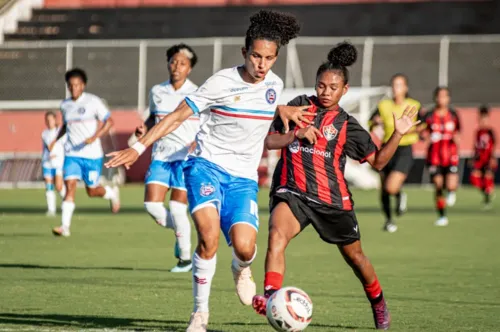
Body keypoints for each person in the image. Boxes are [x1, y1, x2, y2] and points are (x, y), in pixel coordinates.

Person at [104, 10, 309, 332]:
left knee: (245, 247)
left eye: (269, 58)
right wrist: (137, 147)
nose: (261, 64)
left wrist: (291, 131)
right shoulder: (221, 82)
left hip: (243, 179)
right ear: (244, 53)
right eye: (256, 56)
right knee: (209, 237)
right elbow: (176, 115)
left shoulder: (274, 85)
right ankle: (200, 313)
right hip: (205, 166)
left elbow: (264, 134)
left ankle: (241, 268)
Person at [251, 42, 420, 330]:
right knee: (276, 235)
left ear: (345, 90)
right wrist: (295, 134)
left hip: (332, 201)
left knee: (356, 258)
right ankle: (270, 299)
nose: (325, 92)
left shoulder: (348, 125)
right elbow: (269, 141)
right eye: (321, 85)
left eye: (332, 87)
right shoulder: (298, 107)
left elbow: (378, 162)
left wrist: (397, 135)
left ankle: (378, 302)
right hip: (293, 192)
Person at [134, 44, 200, 272]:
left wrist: (197, 141)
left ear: (189, 68)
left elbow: (208, 123)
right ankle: (181, 231)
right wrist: (145, 129)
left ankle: (185, 258)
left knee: (177, 207)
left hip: (185, 157)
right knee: (151, 205)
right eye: (173, 62)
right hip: (161, 155)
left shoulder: (197, 93)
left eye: (182, 63)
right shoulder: (157, 91)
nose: (176, 66)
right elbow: (154, 117)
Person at [50, 68, 120, 237]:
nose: (74, 88)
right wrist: (55, 139)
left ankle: (111, 193)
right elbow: (66, 126)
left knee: (92, 190)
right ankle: (64, 227)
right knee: (70, 186)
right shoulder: (65, 105)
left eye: (77, 85)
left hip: (92, 155)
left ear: (83, 85)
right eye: (71, 85)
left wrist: (95, 136)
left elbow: (109, 122)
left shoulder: (93, 102)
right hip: (72, 154)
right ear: (67, 86)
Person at [369, 73, 421, 233]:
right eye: (393, 85)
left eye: (399, 85)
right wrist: (375, 123)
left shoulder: (414, 105)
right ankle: (389, 220)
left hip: (404, 148)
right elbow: (371, 122)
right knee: (384, 188)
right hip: (387, 147)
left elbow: (425, 125)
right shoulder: (384, 105)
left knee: (391, 187)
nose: (395, 88)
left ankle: (399, 195)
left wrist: (409, 129)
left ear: (406, 88)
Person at [419, 87, 461, 226]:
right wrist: (426, 138)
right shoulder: (429, 115)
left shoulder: (453, 114)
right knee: (438, 185)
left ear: (448, 99)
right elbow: (420, 132)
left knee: (451, 184)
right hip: (434, 157)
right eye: (439, 96)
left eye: (444, 96)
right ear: (435, 98)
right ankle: (442, 215)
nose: (441, 99)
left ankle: (451, 192)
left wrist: (456, 139)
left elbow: (459, 134)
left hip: (450, 156)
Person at [470, 105, 497, 209]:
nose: (483, 121)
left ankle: (488, 198)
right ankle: (487, 193)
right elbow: (476, 145)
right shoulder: (478, 132)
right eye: (481, 119)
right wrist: (473, 157)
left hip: (488, 158)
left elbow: (493, 146)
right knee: (474, 178)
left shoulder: (490, 132)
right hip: (479, 159)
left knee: (487, 177)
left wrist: (492, 158)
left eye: (485, 119)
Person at [41, 111, 66, 216]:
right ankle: (51, 210)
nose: (49, 122)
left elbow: (64, 145)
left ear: (55, 120)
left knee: (59, 186)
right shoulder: (45, 133)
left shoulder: (60, 132)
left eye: (51, 119)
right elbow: (48, 147)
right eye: (47, 120)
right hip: (47, 162)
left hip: (58, 162)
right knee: (49, 186)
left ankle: (67, 202)